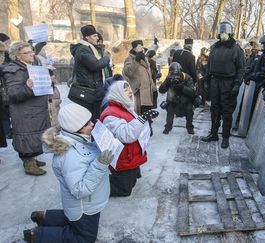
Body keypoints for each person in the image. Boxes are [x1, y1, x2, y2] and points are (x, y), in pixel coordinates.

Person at [24, 103, 114, 242]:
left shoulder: (80, 139)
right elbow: (79, 190)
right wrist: (100, 164)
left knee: (74, 219)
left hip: (88, 203)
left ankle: (44, 217)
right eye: (87, 124)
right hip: (84, 205)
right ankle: (37, 235)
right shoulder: (69, 156)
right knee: (83, 237)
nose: (92, 124)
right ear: (75, 129)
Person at [100, 81, 158, 197]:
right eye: (125, 90)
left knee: (131, 182)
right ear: (118, 93)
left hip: (130, 155)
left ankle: (129, 175)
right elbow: (127, 135)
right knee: (124, 190)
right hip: (122, 158)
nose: (130, 91)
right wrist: (142, 118)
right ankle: (97, 186)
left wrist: (146, 125)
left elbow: (135, 126)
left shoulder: (125, 108)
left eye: (129, 88)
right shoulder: (110, 114)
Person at [2, 41, 51, 176]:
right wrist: (27, 88)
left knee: (35, 136)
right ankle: (28, 163)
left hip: (34, 109)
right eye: (27, 52)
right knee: (26, 137)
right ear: (17, 55)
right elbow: (13, 94)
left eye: (31, 51)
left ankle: (33, 159)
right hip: (24, 112)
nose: (32, 54)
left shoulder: (30, 66)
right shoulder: (13, 70)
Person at [201, 21, 245, 148]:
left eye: (225, 32)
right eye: (221, 32)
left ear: (230, 33)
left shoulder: (236, 49)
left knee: (227, 111)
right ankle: (213, 133)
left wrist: (237, 84)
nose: (223, 34)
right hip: (215, 82)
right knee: (214, 109)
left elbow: (241, 69)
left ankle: (225, 137)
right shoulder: (214, 48)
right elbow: (209, 66)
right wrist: (207, 81)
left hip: (229, 83)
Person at [68, 24, 111, 122]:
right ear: (87, 37)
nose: (97, 38)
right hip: (89, 92)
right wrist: (107, 58)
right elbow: (95, 65)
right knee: (92, 120)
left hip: (93, 91)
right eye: (95, 36)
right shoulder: (83, 49)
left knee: (95, 119)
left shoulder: (89, 48)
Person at [159, 62, 196, 135]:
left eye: (177, 76)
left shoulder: (187, 77)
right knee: (169, 108)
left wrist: (182, 87)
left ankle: (190, 127)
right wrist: (167, 83)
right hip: (173, 99)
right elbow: (161, 90)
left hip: (185, 100)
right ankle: (168, 127)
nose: (175, 77)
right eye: (173, 75)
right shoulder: (169, 77)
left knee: (189, 109)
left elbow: (192, 92)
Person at [123, 40, 156, 114]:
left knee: (147, 116)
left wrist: (153, 88)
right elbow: (128, 72)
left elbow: (148, 73)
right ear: (134, 48)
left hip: (147, 92)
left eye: (142, 47)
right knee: (140, 116)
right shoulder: (129, 59)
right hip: (138, 92)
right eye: (139, 47)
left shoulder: (144, 58)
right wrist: (136, 60)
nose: (142, 49)